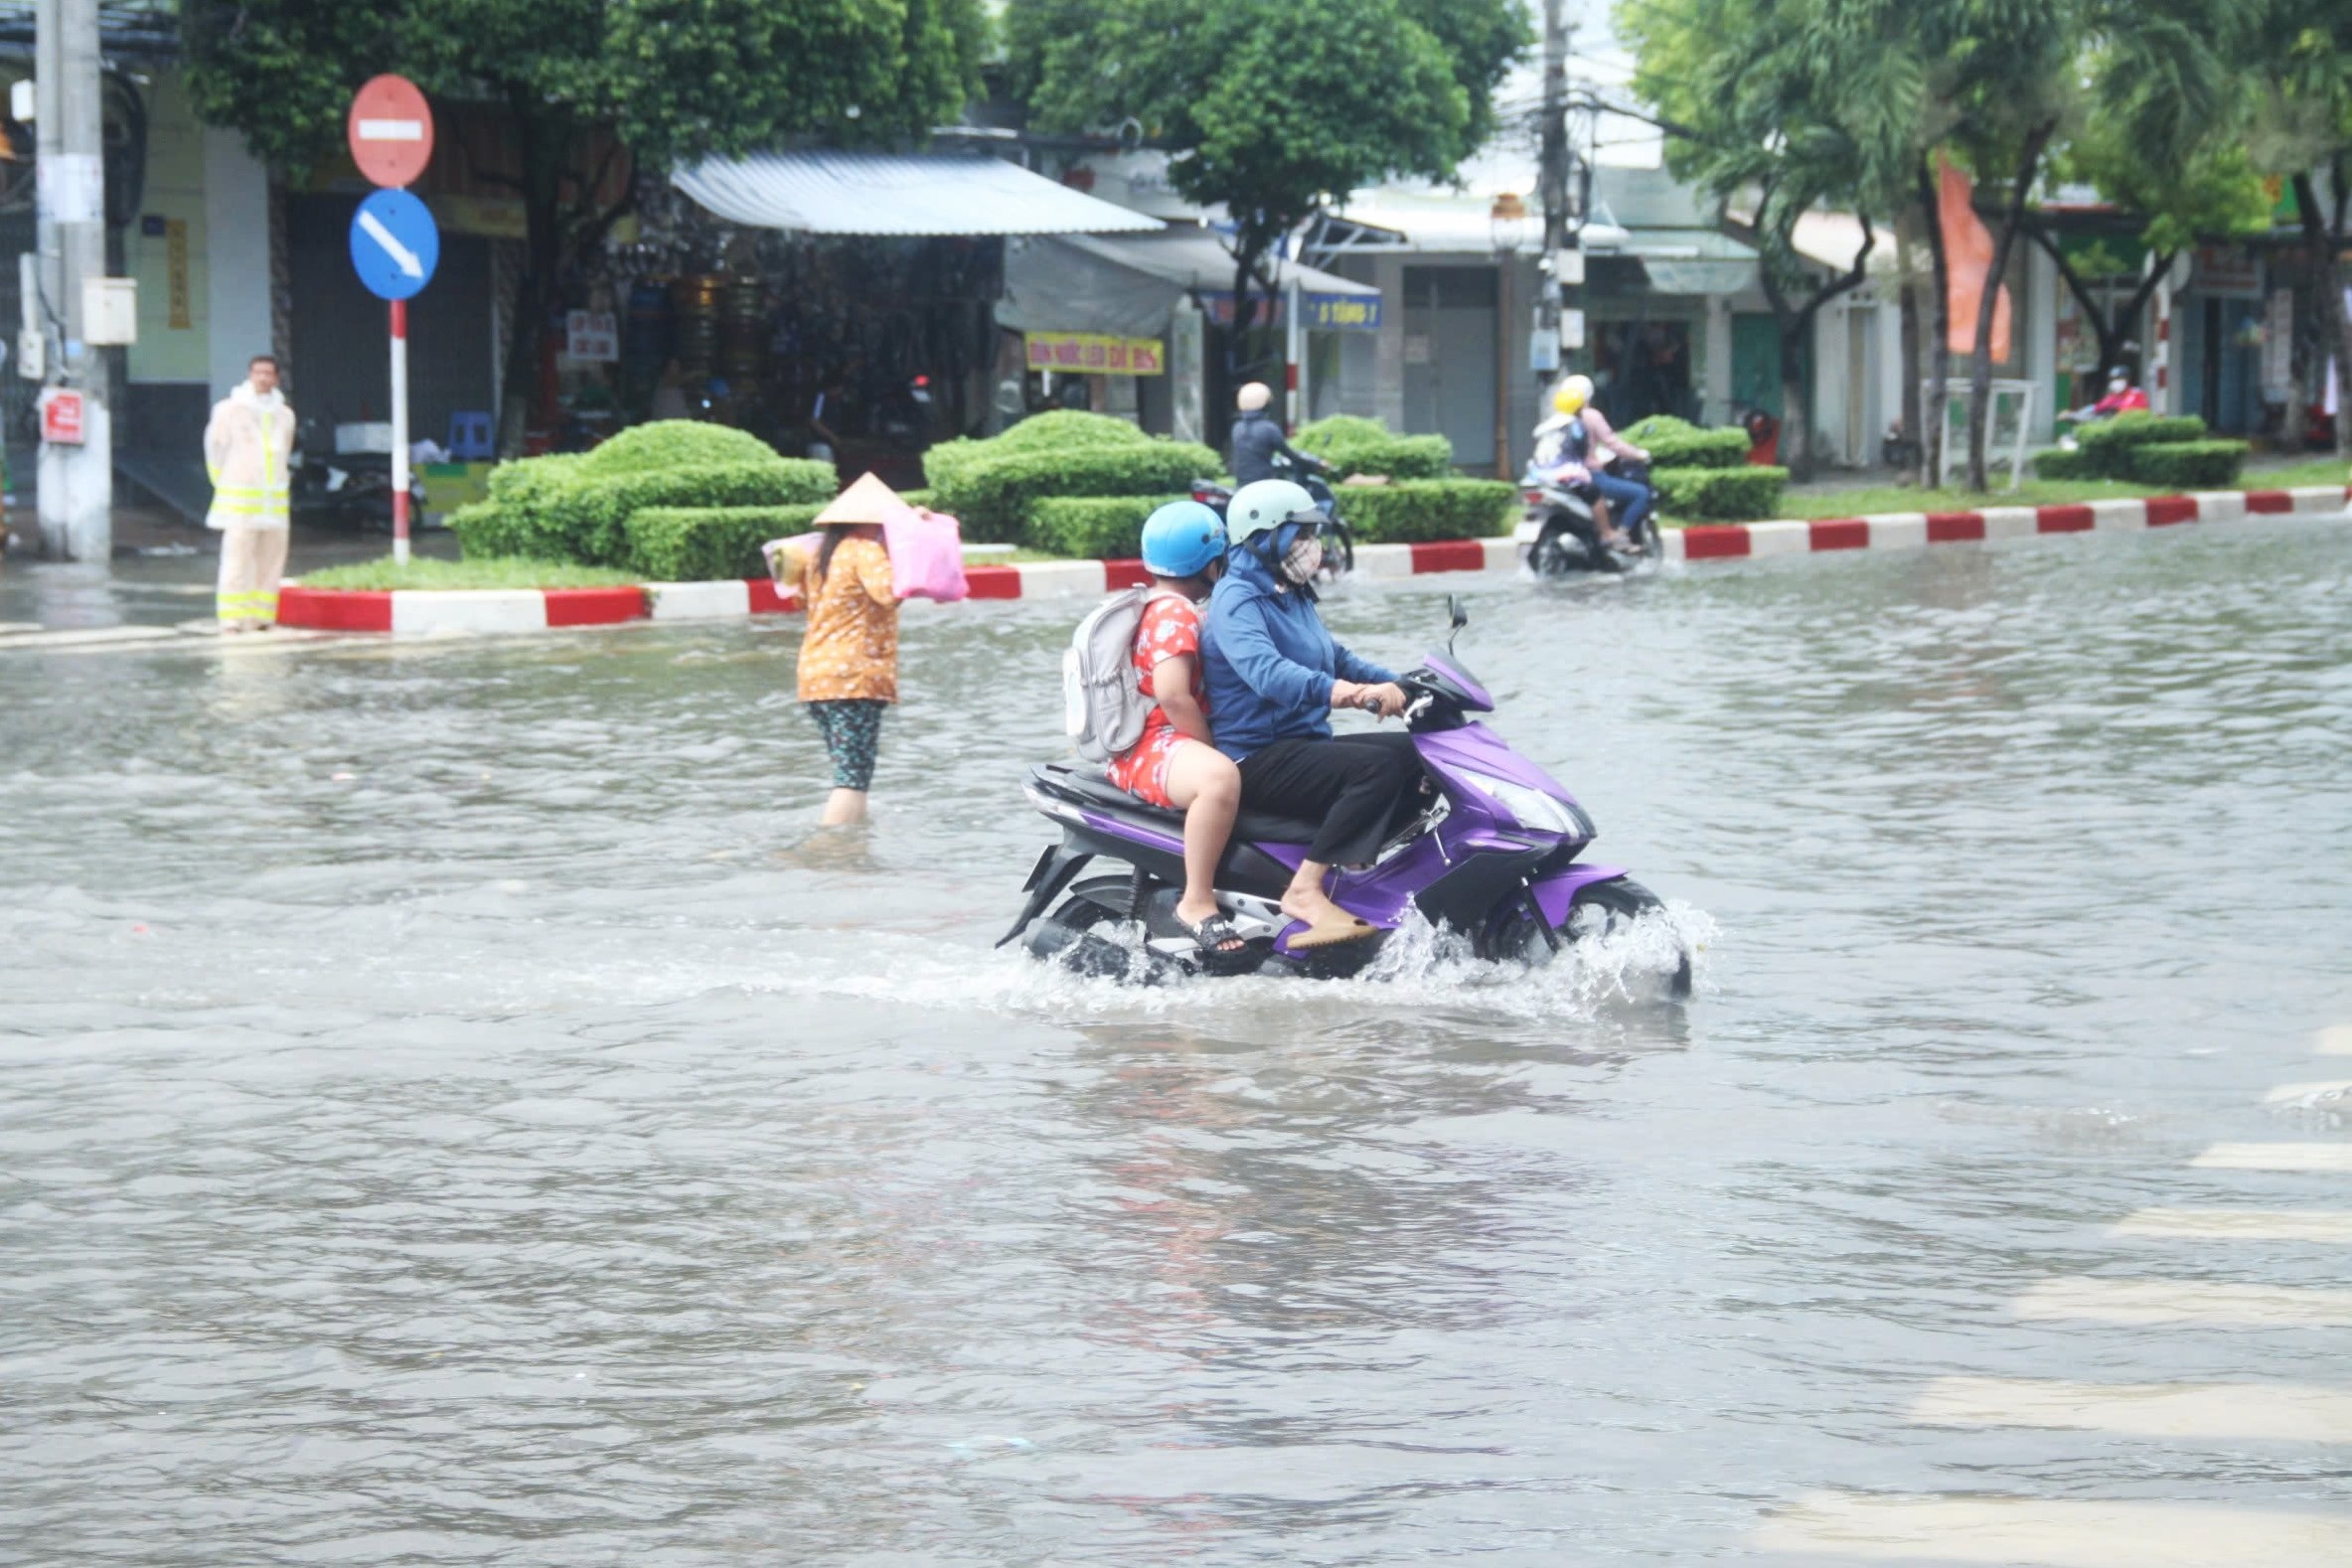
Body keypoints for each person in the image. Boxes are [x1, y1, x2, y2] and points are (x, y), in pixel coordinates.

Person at [1201, 479, 1414, 949]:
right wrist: (1354, 695)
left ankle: (1363, 874)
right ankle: (1305, 888)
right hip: (1258, 755)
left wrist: (1404, 683)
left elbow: (1334, 657)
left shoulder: (1288, 590)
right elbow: (1268, 674)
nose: (1311, 547)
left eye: (1311, 535)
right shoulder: (1237, 599)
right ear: (1264, 536)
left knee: (1419, 752)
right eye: (1300, 535)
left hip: (1301, 744)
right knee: (1374, 769)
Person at [1106, 501, 1246, 956]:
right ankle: (1197, 900)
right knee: (1219, 778)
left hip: (1160, 741)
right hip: (1155, 745)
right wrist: (1208, 747)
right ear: (1210, 564)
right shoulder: (1176, 613)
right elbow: (1172, 694)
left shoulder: (1162, 605)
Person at [785, 471, 902, 826]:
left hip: (815, 677)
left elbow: (799, 601)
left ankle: (850, 843)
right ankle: (835, 853)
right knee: (853, 777)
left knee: (847, 769)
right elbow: (889, 592)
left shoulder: (819, 554)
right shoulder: (864, 550)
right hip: (854, 677)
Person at [204, 354, 296, 634]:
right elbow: (214, 451)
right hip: (240, 502)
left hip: (274, 504)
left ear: (277, 378)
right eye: (257, 373)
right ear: (249, 375)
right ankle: (231, 619)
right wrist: (225, 483)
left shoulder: (285, 414)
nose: (262, 378)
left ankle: (261, 617)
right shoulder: (229, 410)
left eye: (268, 373)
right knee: (236, 561)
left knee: (271, 562)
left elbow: (285, 453)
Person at [1537, 375, 1652, 550]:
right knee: (1641, 493)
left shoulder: (1556, 420)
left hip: (1552, 474)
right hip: (1587, 474)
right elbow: (1612, 443)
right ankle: (1618, 535)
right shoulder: (1589, 416)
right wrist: (1637, 454)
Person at [1228, 381, 1326, 487]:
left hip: (1241, 487)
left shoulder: (1237, 428)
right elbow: (1290, 455)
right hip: (1264, 485)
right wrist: (1317, 464)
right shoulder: (1269, 429)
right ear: (1266, 404)